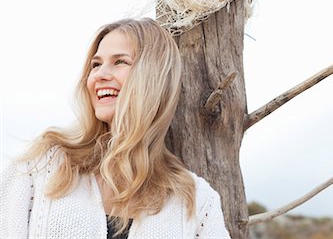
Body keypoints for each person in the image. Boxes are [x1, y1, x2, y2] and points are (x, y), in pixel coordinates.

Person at [0, 18, 231, 238]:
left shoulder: (196, 200)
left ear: (154, 77)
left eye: (120, 62)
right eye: (96, 64)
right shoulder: (40, 166)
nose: (99, 75)